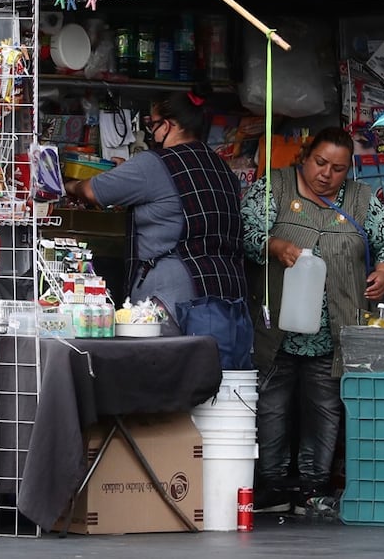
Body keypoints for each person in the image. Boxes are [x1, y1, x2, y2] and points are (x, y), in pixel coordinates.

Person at [240, 126, 384, 513]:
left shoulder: (362, 200)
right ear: (305, 156)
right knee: (271, 407)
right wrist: (274, 245)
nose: (327, 174)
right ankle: (273, 486)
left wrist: (383, 271)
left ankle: (314, 487)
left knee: (325, 409)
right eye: (320, 163)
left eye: (338, 168)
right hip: (278, 330)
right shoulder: (275, 187)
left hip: (333, 334)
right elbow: (247, 233)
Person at [63, 85, 253, 369]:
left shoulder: (153, 164)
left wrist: (68, 185)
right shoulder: (221, 168)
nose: (151, 133)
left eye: (152, 125)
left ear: (169, 125)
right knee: (214, 392)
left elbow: (93, 191)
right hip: (226, 297)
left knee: (161, 387)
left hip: (173, 300)